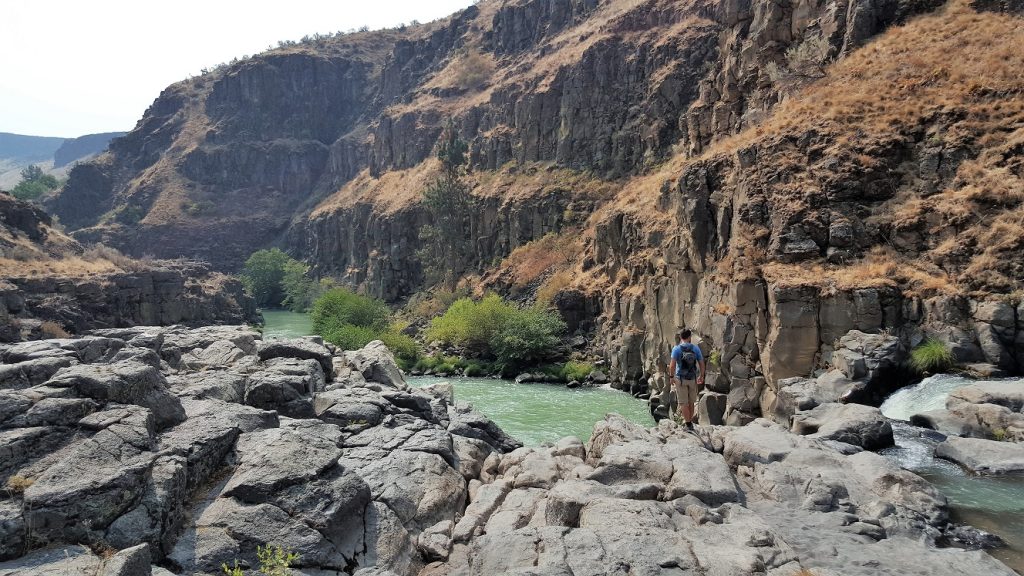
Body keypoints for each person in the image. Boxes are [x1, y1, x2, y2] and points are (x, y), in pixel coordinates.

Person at [668, 329, 705, 430]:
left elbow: (672, 365)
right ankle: (690, 423)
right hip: (692, 379)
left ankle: (688, 424)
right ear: (689, 337)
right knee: (691, 402)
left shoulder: (676, 349)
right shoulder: (695, 348)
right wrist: (701, 376)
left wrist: (671, 377)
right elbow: (701, 363)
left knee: (683, 403)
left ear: (680, 337)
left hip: (680, 379)